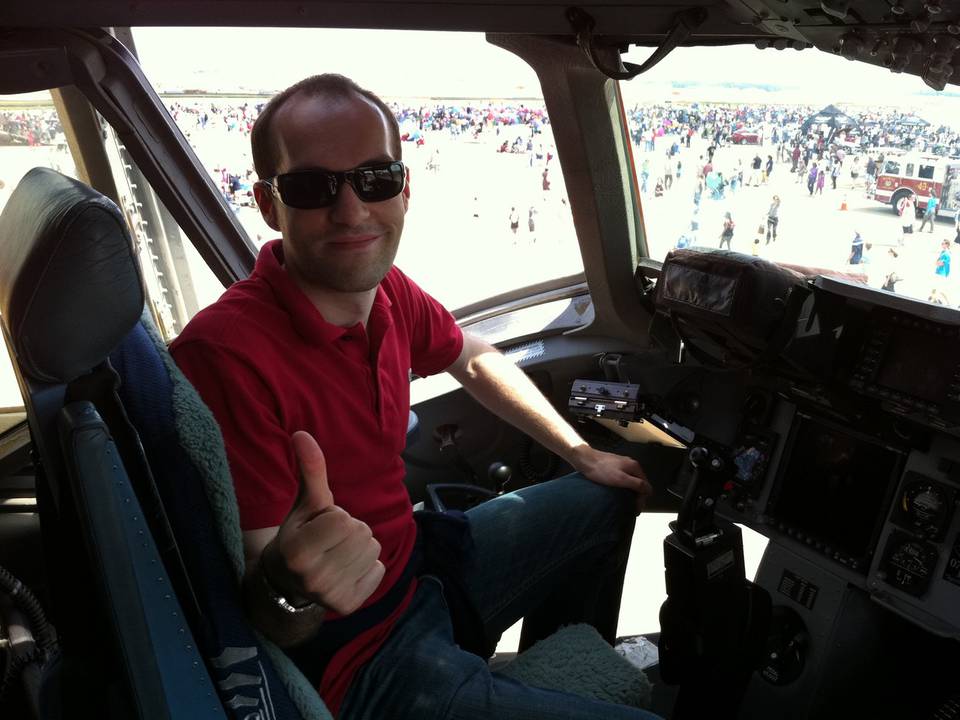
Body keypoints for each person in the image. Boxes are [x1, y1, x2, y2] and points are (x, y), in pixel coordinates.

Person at [170, 74, 656, 720]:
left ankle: (555, 670)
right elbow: (264, 610)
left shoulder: (387, 291)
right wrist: (293, 585)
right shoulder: (227, 354)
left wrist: (579, 452)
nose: (352, 211)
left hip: (418, 570)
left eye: (375, 179)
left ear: (403, 188)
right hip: (356, 655)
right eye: (314, 188)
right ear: (267, 203)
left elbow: (473, 358)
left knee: (606, 496)